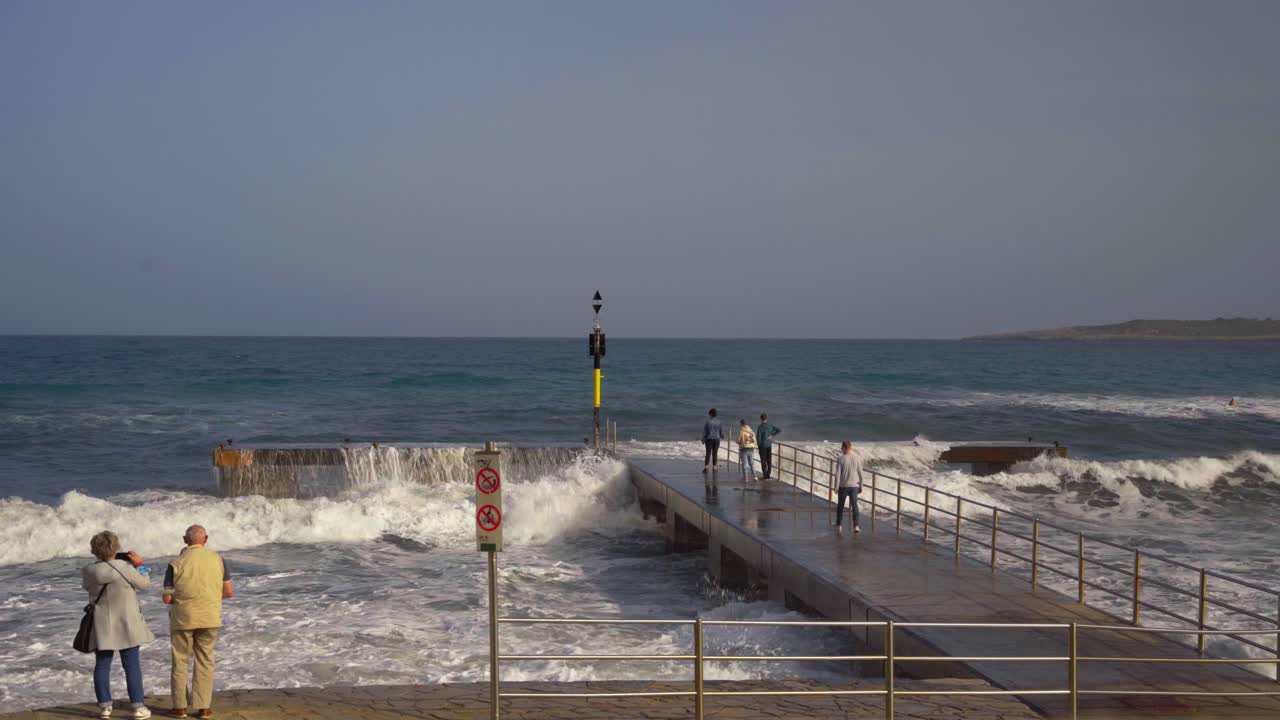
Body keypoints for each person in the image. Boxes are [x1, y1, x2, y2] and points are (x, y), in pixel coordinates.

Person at [82, 531, 155, 719]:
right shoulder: (125, 567)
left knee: (102, 665)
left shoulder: (89, 570)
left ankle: (105, 707)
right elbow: (145, 584)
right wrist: (140, 564)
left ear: (94, 550)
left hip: (102, 623)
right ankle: (138, 707)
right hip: (127, 622)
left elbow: (88, 587)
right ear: (116, 547)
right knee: (131, 665)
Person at [164, 525, 234, 719]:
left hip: (183, 617)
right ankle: (203, 707)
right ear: (206, 539)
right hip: (210, 616)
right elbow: (228, 591)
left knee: (180, 660)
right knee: (205, 660)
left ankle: (180, 707)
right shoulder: (218, 560)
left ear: (185, 540)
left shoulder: (175, 562)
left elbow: (168, 598)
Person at [835, 441, 864, 534]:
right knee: (855, 505)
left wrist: (835, 487)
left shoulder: (840, 459)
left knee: (840, 506)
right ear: (850, 448)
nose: (841, 450)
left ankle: (839, 525)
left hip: (843, 486)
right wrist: (861, 486)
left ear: (844, 448)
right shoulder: (857, 458)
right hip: (854, 486)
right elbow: (861, 473)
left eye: (842, 448)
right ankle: (856, 526)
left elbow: (837, 474)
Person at [755, 414, 781, 479]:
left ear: (761, 419)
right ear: (767, 419)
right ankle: (768, 475)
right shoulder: (770, 425)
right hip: (769, 445)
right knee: (769, 461)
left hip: (762, 446)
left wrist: (758, 445)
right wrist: (772, 435)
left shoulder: (760, 427)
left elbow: (759, 438)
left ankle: (765, 475)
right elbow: (779, 430)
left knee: (763, 461)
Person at [702, 408, 724, 472]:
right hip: (717, 439)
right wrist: (722, 436)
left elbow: (705, 432)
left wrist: (703, 439)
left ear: (711, 414)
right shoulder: (719, 422)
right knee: (715, 453)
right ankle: (714, 468)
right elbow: (721, 432)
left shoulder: (708, 422)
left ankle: (706, 468)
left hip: (709, 439)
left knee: (708, 453)